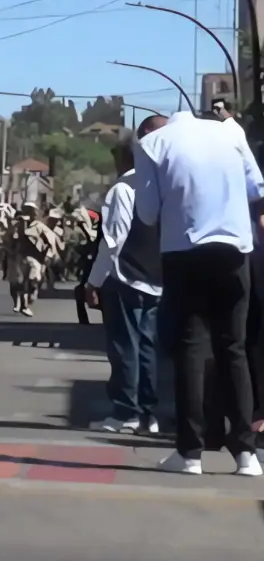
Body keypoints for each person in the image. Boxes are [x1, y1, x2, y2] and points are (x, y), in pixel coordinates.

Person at [132, 110, 262, 476]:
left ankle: (190, 454)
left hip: (184, 250)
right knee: (232, 348)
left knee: (191, 345)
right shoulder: (231, 134)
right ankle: (246, 455)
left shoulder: (152, 143)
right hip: (236, 249)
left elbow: (147, 212)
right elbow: (259, 190)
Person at [86, 136, 162, 435]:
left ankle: (125, 412)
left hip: (126, 277)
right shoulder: (158, 188)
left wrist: (94, 281)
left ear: (124, 159)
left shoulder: (122, 190)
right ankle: (148, 414)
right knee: (148, 348)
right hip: (156, 280)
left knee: (124, 347)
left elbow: (113, 240)